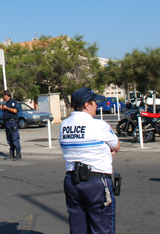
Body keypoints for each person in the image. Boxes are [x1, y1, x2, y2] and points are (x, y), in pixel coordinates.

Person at [60, 87, 120, 234]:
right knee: (102, 227)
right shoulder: (99, 125)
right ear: (87, 105)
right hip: (96, 182)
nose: (97, 106)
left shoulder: (64, 125)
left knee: (78, 228)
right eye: (94, 102)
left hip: (72, 182)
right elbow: (116, 146)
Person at [0, 89, 21, 161]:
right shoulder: (6, 103)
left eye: (4, 95)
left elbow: (14, 110)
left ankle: (18, 153)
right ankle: (11, 153)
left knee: (15, 138)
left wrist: (6, 108)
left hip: (12, 122)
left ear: (7, 95)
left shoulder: (13, 102)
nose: (3, 97)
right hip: (7, 122)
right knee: (9, 139)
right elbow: (5, 111)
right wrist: (3, 108)